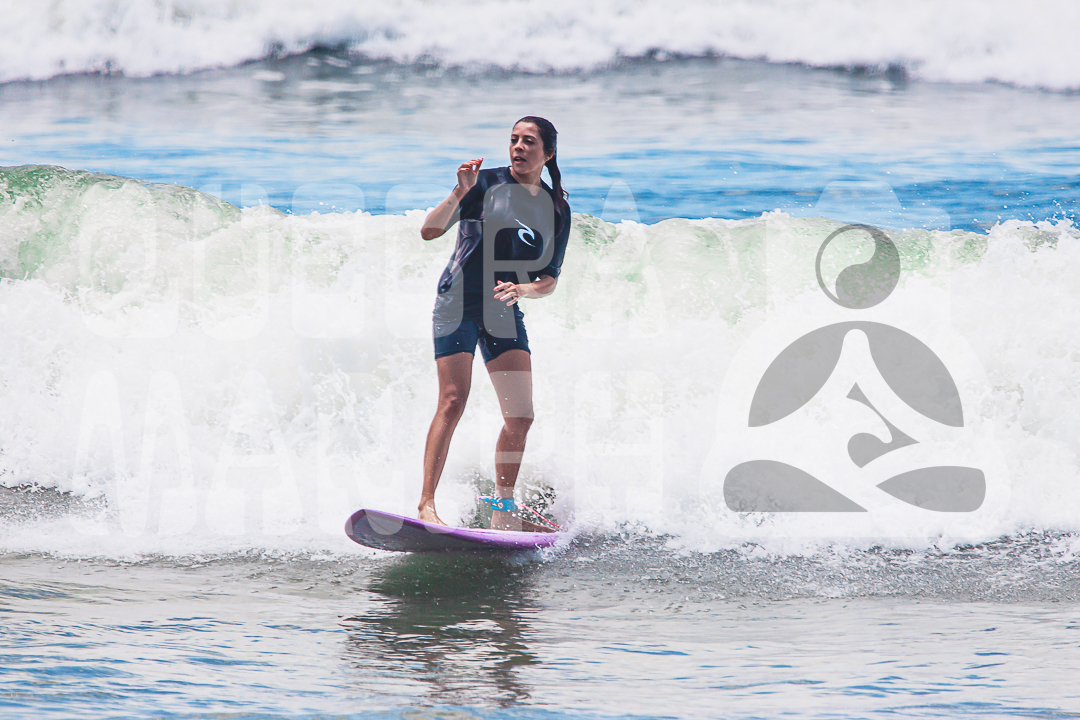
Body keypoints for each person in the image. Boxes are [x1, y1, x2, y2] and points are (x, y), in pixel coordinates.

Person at [416, 116, 571, 531]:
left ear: (548, 153)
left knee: (521, 416)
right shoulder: (483, 184)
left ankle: (503, 508)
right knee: (453, 400)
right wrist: (459, 191)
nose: (518, 147)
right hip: (457, 302)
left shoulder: (556, 208)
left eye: (529, 142)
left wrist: (525, 290)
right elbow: (429, 231)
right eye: (514, 140)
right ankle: (426, 504)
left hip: (503, 307)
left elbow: (550, 279)